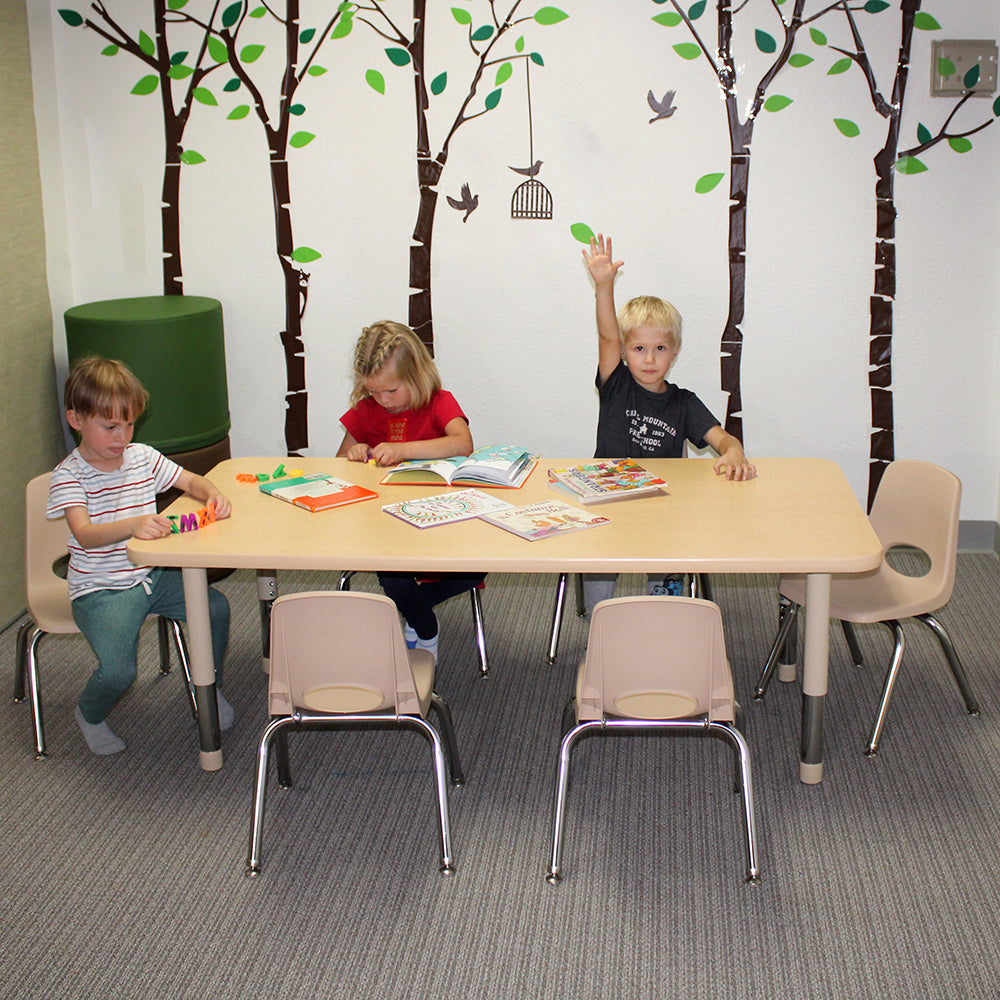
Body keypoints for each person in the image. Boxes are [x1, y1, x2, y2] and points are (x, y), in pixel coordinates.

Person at [47, 356, 233, 755]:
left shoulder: (142, 457)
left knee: (215, 609)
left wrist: (212, 492)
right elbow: (85, 533)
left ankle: (207, 684)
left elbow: (191, 480)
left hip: (151, 575)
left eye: (129, 424)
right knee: (118, 672)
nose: (122, 436)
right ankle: (89, 714)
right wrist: (134, 525)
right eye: (110, 426)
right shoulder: (69, 476)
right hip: (101, 588)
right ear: (76, 420)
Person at [582, 233, 756, 610]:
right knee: (599, 557)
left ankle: (664, 610)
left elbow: (723, 440)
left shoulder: (684, 403)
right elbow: (607, 335)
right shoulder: (617, 385)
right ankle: (599, 616)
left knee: (668, 554)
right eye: (638, 348)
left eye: (659, 349)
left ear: (674, 352)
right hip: (608, 500)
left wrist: (735, 452)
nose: (648, 359)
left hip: (662, 507)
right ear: (625, 352)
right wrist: (604, 286)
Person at [337, 320, 484, 661]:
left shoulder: (438, 402)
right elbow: (340, 461)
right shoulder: (366, 411)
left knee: (478, 568)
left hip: (443, 524)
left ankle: (409, 608)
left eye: (391, 391)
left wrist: (404, 450)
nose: (383, 400)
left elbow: (463, 444)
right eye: (373, 391)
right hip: (387, 530)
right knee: (394, 576)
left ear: (417, 375)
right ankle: (424, 624)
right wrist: (355, 453)